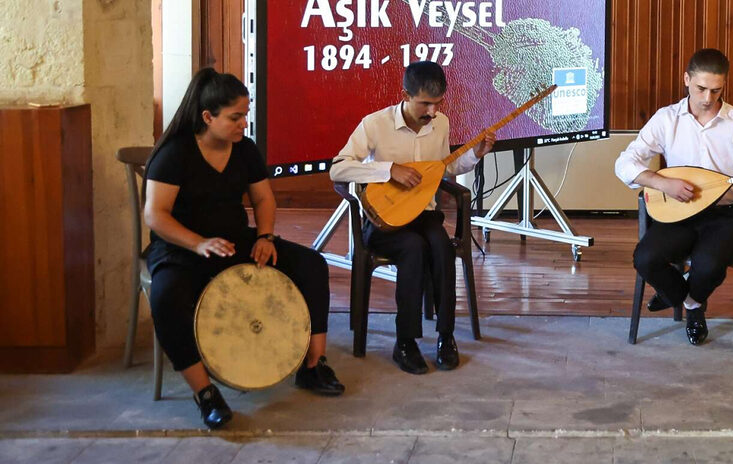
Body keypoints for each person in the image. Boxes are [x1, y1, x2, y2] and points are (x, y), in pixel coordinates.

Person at [144, 68, 344, 430]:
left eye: (245, 115)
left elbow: (263, 197)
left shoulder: (245, 149)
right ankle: (206, 393)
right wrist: (198, 243)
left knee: (312, 264)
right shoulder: (175, 153)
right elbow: (155, 215)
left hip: (235, 240)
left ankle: (313, 366)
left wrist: (265, 237)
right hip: (182, 248)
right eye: (235, 117)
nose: (243, 124)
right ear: (208, 117)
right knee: (165, 296)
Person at [330, 61, 494, 374]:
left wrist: (476, 154)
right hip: (383, 221)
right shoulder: (375, 124)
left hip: (424, 215)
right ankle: (405, 342)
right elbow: (338, 168)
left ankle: (446, 337)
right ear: (404, 94)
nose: (432, 112)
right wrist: (388, 170)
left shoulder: (440, 124)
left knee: (442, 248)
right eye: (425, 104)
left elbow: (443, 168)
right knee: (414, 249)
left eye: (438, 103)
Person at [614, 48, 733, 345]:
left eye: (716, 90)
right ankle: (691, 301)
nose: (708, 98)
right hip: (677, 210)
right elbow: (624, 163)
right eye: (700, 88)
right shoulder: (666, 119)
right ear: (686, 79)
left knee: (709, 265)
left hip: (725, 215)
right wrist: (662, 183)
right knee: (645, 258)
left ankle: (688, 301)